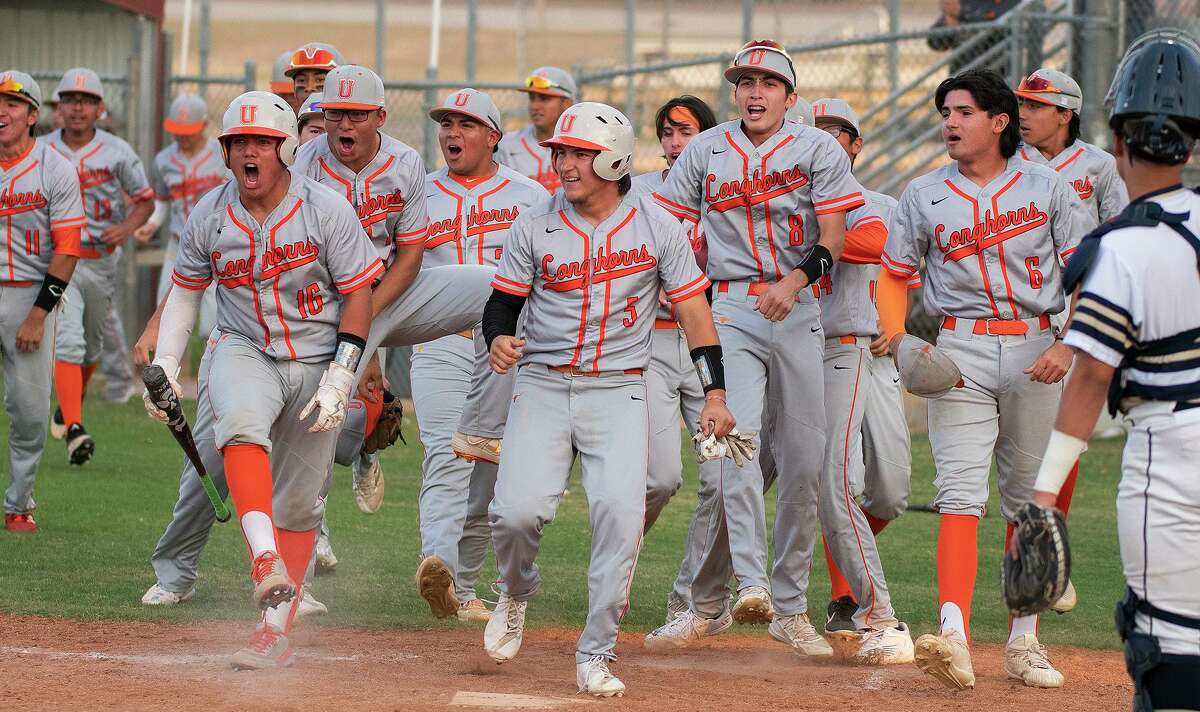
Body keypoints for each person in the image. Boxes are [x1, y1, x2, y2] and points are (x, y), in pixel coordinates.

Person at [481, 101, 733, 697]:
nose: (564, 164)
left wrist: (715, 392)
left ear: (613, 158)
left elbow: (695, 313)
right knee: (516, 514)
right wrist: (496, 339)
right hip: (542, 382)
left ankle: (595, 652)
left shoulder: (656, 224)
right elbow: (501, 303)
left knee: (620, 520)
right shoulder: (534, 223)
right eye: (560, 153)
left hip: (620, 388)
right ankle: (515, 591)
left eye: (578, 154)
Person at [143, 90, 383, 669]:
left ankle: (272, 633)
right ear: (225, 154)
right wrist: (168, 368)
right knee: (241, 426)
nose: (249, 153)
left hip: (317, 354)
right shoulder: (208, 213)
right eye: (238, 143)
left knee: (299, 503)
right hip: (242, 345)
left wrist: (341, 377)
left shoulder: (326, 209)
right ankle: (262, 559)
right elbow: (185, 294)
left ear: (286, 150)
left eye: (261, 142)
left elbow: (358, 295)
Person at [646, 39, 862, 659]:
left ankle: (790, 610)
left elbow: (833, 239)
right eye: (744, 81)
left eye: (767, 81)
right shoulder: (707, 150)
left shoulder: (817, 147)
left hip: (799, 307)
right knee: (733, 445)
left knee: (802, 463)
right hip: (732, 307)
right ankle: (750, 583)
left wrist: (794, 282)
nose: (754, 90)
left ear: (790, 97)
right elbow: (666, 225)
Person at [876, 68, 1082, 690]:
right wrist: (893, 337)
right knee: (959, 492)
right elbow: (894, 273)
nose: (950, 123)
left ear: (999, 122)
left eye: (963, 112)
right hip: (959, 349)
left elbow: (1084, 277)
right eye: (945, 112)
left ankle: (1024, 643)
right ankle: (953, 634)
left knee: (1028, 503)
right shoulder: (924, 193)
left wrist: (1069, 344)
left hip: (1036, 345)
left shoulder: (1047, 187)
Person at [1028, 34, 1200, 712]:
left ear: (1117, 140)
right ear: (1190, 145)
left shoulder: (1120, 248)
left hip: (1170, 461)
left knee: (1166, 656)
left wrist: (1043, 498)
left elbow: (1091, 378)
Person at [412, 88, 549, 623]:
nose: (452, 133)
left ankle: (461, 586)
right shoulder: (418, 194)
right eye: (446, 123)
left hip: (501, 347)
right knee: (446, 452)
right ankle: (438, 561)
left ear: (493, 136)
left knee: (486, 464)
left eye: (466, 125)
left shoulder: (530, 195)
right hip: (440, 340)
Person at [1014, 65, 1131, 609]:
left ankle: (1048, 548)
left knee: (1067, 435)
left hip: (1077, 313)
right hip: (1022, 310)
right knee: (1021, 445)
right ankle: (1033, 551)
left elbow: (1120, 232)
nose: (1024, 114)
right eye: (1022, 104)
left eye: (1036, 105)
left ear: (1066, 113)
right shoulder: (1011, 161)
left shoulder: (1099, 166)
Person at [805, 97, 915, 664]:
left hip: (874, 352)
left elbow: (896, 261)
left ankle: (840, 545)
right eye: (817, 130)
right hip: (813, 354)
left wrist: (892, 327)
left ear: (854, 145)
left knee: (891, 492)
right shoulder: (791, 203)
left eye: (837, 132)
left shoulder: (882, 204)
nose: (826, 139)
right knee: (832, 481)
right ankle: (846, 594)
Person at [42, 67, 153, 465]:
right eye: (70, 100)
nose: (77, 108)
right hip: (58, 259)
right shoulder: (41, 149)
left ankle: (69, 405)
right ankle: (75, 428)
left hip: (101, 260)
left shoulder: (117, 151)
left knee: (92, 345)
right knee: (68, 340)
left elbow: (145, 200)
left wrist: (125, 228)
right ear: (58, 108)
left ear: (100, 108)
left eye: (86, 101)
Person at [629, 95, 718, 536]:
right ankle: (619, 551)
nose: (676, 142)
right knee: (660, 478)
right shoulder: (638, 192)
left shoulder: (728, 191)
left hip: (714, 346)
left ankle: (693, 598)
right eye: (667, 132)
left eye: (686, 131)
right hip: (654, 343)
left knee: (723, 477)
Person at [0, 70, 84, 533]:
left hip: (27, 299)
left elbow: (68, 247)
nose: (3, 112)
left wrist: (38, 314)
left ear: (32, 115)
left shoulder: (55, 168)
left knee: (30, 411)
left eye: (13, 104)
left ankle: (19, 502)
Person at [133, 94, 227, 333]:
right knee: (165, 322)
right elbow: (163, 201)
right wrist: (152, 224)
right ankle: (167, 370)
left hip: (217, 245)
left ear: (204, 125)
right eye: (177, 130)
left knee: (213, 327)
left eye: (189, 130)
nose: (182, 136)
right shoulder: (163, 160)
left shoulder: (222, 154)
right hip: (178, 247)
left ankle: (211, 371)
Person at [495, 66, 577, 192]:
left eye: (545, 99)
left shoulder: (584, 147)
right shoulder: (505, 146)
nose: (535, 106)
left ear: (566, 103)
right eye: (532, 98)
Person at [927, 0, 1021, 76]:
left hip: (996, 75)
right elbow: (935, 43)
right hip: (961, 74)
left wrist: (961, 14)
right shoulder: (964, 2)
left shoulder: (1011, 3)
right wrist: (949, 24)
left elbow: (999, 26)